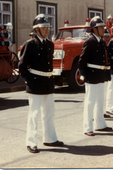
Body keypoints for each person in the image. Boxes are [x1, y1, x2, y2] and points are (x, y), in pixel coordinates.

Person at [18, 14, 64, 153]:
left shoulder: (50, 44)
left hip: (48, 83)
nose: (47, 30)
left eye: (48, 28)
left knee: (49, 113)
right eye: (44, 28)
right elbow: (21, 66)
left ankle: (50, 138)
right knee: (34, 114)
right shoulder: (29, 44)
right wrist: (29, 80)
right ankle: (31, 142)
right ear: (36, 30)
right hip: (35, 83)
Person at [78, 16, 112, 136]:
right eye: (101, 27)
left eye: (103, 27)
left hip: (100, 75)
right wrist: (82, 73)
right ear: (94, 29)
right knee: (90, 101)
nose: (103, 29)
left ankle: (100, 124)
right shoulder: (90, 41)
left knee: (99, 101)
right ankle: (87, 127)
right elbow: (82, 59)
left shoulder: (100, 42)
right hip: (91, 75)